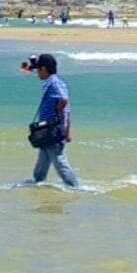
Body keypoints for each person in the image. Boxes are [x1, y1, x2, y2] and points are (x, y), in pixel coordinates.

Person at [22, 53, 80, 188]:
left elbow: (64, 100)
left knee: (59, 161)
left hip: (52, 130)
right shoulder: (57, 82)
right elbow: (68, 110)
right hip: (50, 130)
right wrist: (67, 132)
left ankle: (75, 187)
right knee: (43, 160)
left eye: (38, 70)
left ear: (43, 69)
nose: (37, 74)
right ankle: (37, 184)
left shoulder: (53, 83)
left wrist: (55, 115)